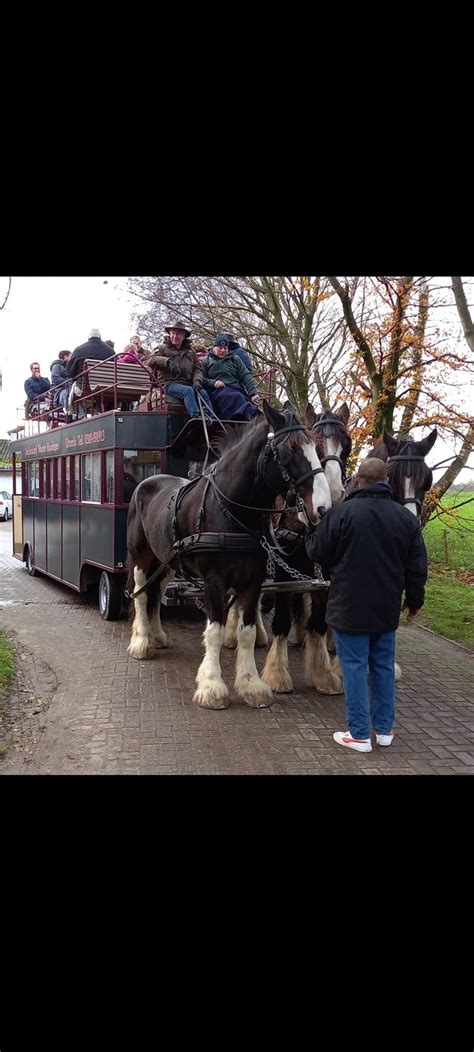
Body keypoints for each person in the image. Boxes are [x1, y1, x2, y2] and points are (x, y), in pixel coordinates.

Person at [304, 457, 428, 753]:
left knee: (355, 668)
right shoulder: (406, 519)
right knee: (383, 666)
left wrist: (310, 530)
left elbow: (316, 552)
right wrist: (414, 600)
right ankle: (384, 731)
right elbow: (417, 566)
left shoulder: (342, 514)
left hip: (348, 608)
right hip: (385, 609)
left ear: (357, 480)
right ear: (386, 481)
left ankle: (359, 734)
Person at [147, 320, 215, 420]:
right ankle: (197, 417)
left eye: (178, 334)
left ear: (184, 336)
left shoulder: (191, 352)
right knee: (188, 391)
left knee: (203, 392)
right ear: (169, 334)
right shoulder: (162, 348)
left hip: (188, 382)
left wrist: (197, 380)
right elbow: (150, 360)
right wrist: (166, 361)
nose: (174, 336)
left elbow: (197, 369)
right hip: (169, 384)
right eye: (173, 333)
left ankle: (211, 418)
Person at [201, 336, 260, 421]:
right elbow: (201, 378)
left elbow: (246, 375)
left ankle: (254, 418)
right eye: (220, 348)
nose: (223, 350)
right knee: (234, 397)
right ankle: (237, 419)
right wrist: (213, 382)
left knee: (243, 398)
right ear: (214, 348)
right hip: (217, 391)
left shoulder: (235, 359)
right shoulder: (206, 361)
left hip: (235, 388)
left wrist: (253, 393)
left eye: (225, 348)